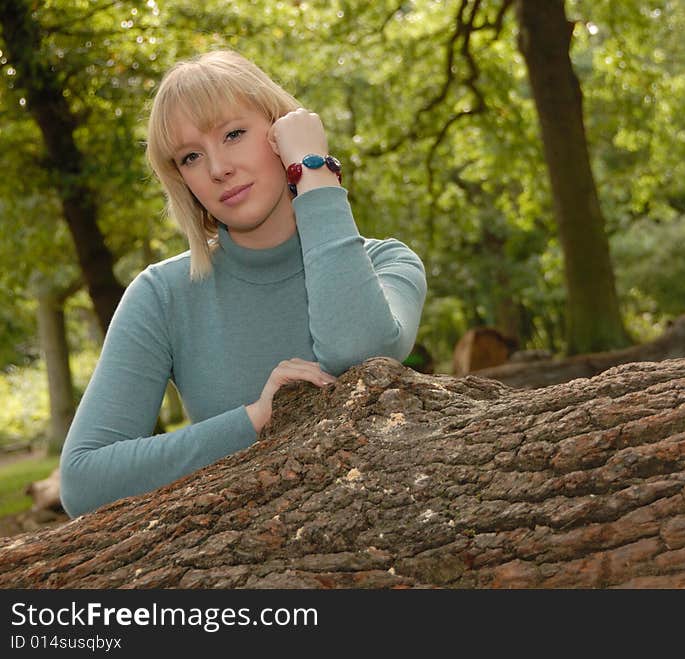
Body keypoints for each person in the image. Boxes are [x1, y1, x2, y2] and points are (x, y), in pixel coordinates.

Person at [59, 50, 427, 517]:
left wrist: (313, 169)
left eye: (233, 134)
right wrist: (257, 419)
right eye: (191, 157)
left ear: (280, 132)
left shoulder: (386, 262)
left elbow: (357, 353)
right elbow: (83, 481)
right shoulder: (161, 295)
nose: (217, 169)